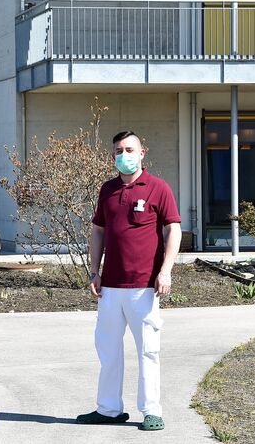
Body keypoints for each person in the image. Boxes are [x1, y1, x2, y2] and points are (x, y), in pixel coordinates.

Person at [76, 131, 181, 431]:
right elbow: (98, 231)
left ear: (142, 152)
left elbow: (173, 229)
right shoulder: (107, 190)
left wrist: (165, 271)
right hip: (110, 287)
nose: (124, 155)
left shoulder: (158, 188)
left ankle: (151, 411)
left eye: (130, 149)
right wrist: (94, 271)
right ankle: (108, 409)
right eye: (119, 151)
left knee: (148, 350)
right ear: (113, 156)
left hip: (144, 287)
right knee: (108, 349)